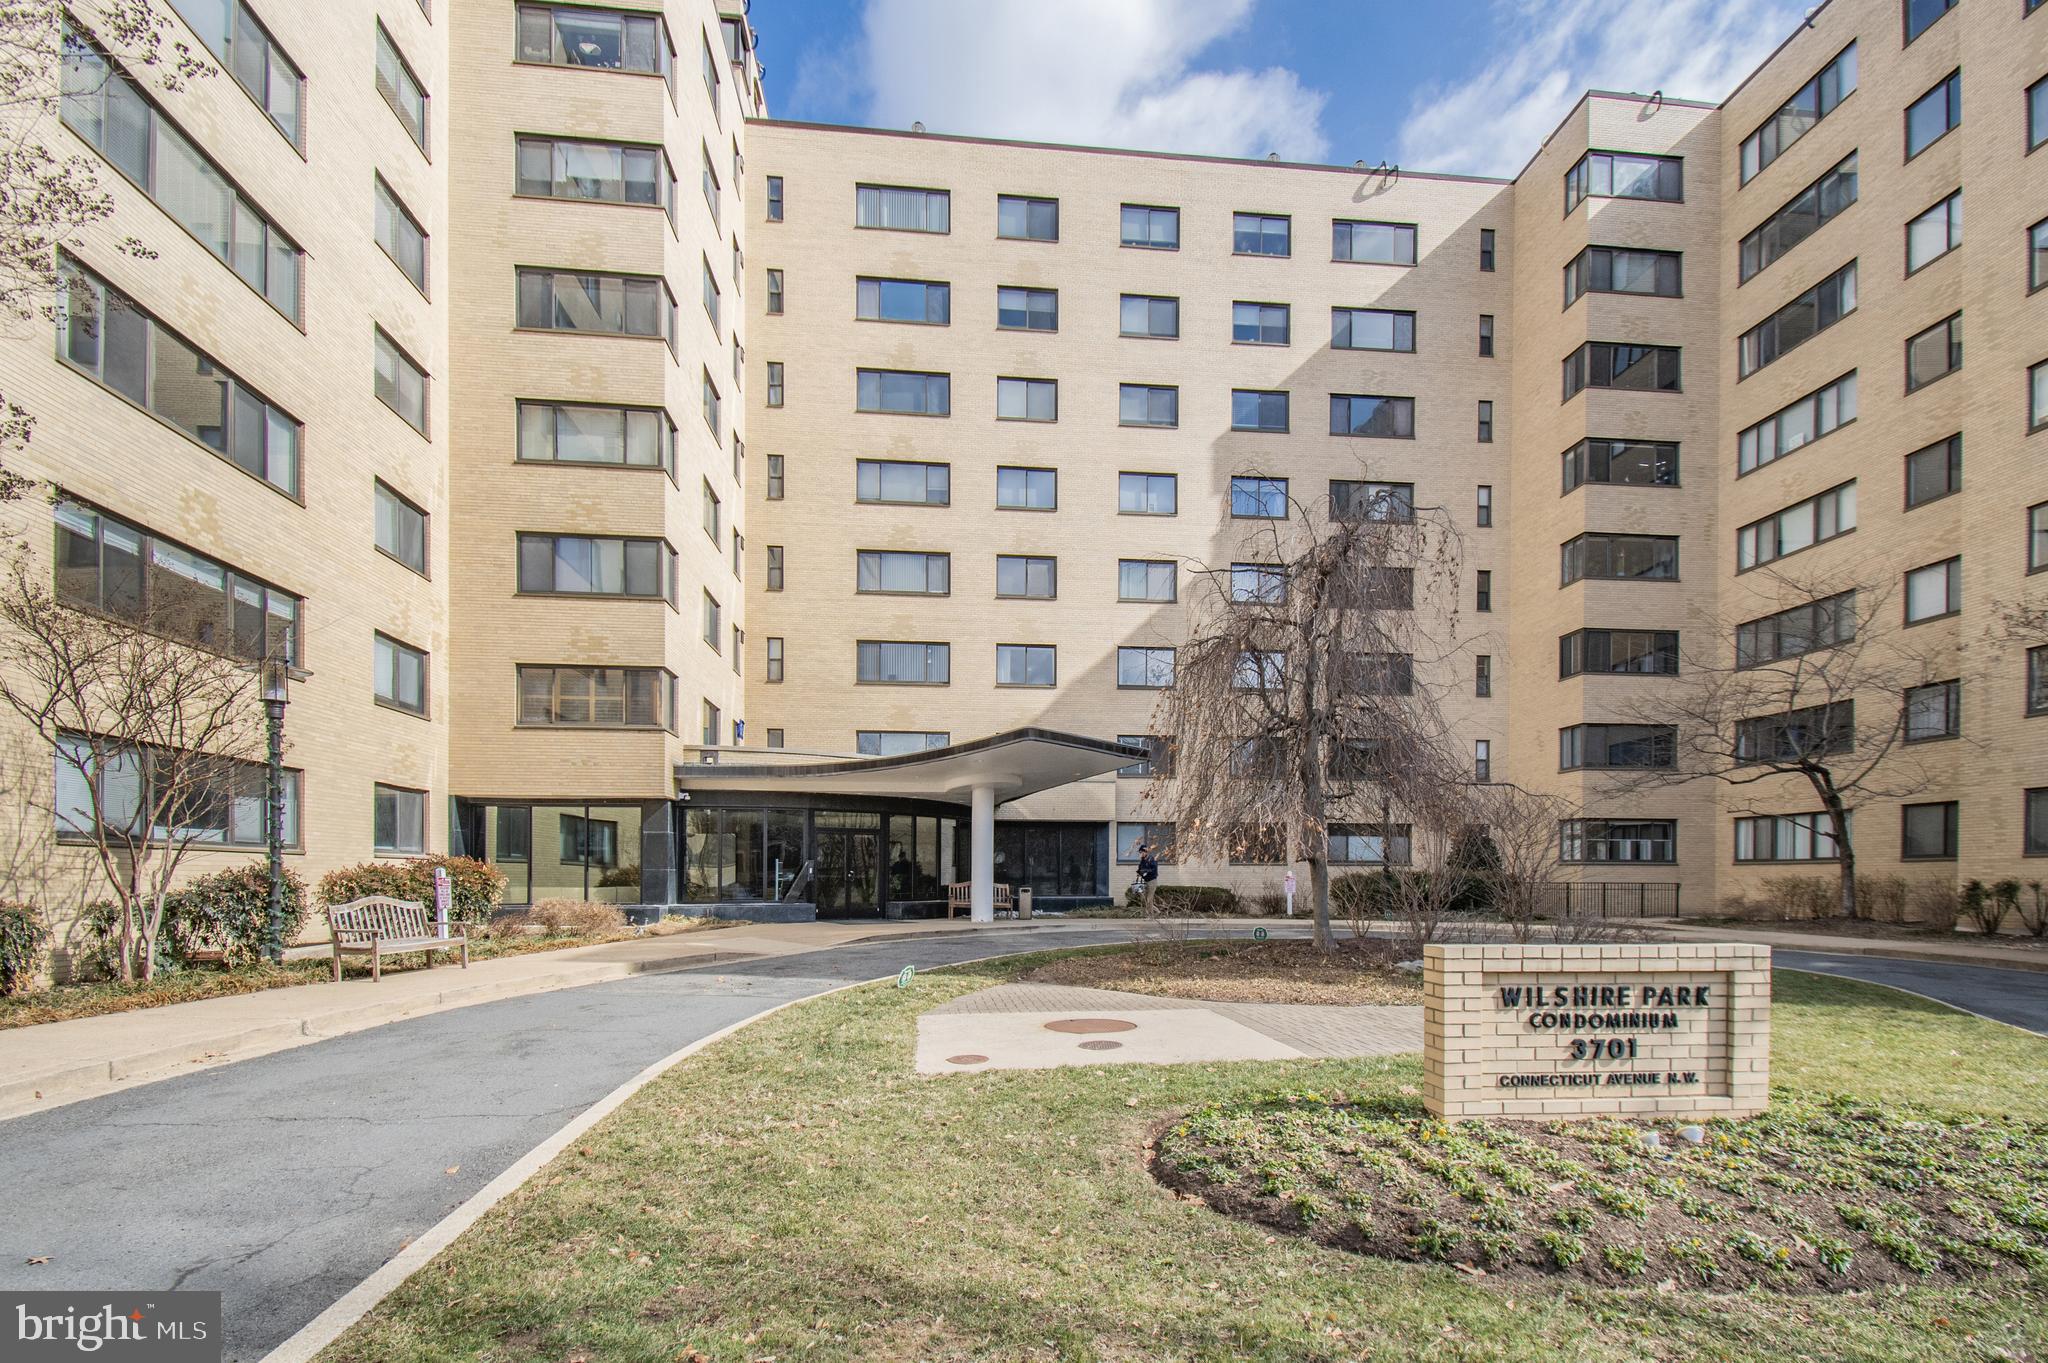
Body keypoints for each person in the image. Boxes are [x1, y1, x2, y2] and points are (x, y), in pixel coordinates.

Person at [1136, 841, 1160, 915]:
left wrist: (1146, 871)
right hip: (1145, 881)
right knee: (1145, 899)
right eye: (1140, 852)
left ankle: (1151, 916)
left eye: (1141, 852)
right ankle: (1157, 912)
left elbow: (1154, 869)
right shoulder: (1142, 860)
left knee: (1149, 899)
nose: (1140, 854)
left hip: (1152, 881)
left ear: (1145, 852)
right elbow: (1140, 869)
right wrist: (1138, 872)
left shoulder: (1151, 859)